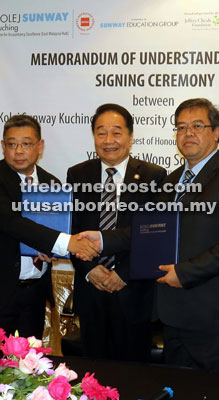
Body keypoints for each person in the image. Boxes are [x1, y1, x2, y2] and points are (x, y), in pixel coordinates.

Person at [93, 98, 219, 372]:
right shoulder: (171, 181)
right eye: (181, 127)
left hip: (216, 317)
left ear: (216, 132)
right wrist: (101, 239)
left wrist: (184, 272)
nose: (188, 133)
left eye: (197, 126)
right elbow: (148, 233)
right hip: (173, 315)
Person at [0, 114, 99, 339]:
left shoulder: (52, 184)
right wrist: (67, 243)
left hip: (34, 295)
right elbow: (11, 223)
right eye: (12, 144)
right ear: (3, 146)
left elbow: (51, 230)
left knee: (29, 366)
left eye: (26, 144)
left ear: (40, 146)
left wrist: (50, 251)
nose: (18, 151)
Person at [66, 103, 166, 361]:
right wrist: (90, 270)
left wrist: (123, 273)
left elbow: (154, 235)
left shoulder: (153, 176)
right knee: (93, 374)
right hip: (91, 291)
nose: (108, 140)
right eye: (101, 132)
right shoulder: (78, 174)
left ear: (130, 137)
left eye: (116, 132)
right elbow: (72, 230)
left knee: (132, 373)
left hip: (133, 292)